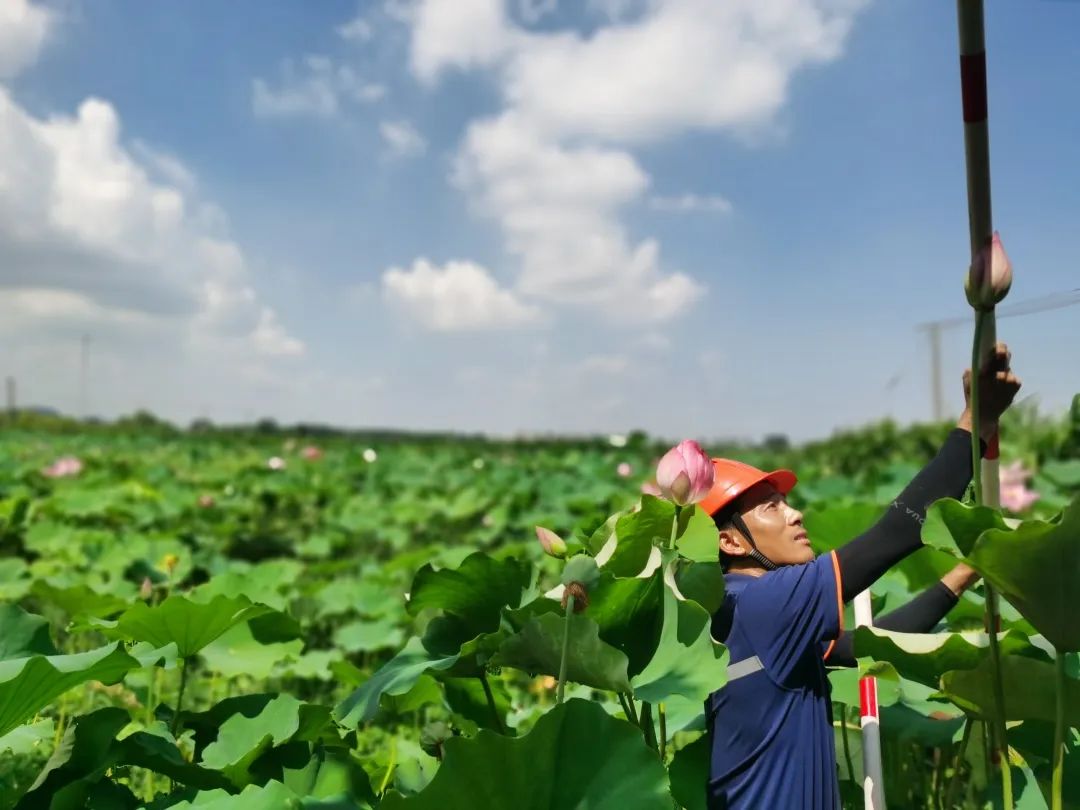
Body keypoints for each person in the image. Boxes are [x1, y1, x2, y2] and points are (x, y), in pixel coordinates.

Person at [702, 342, 1021, 810]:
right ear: (730, 542)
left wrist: (962, 575)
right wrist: (973, 424)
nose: (795, 515)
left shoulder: (737, 611)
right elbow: (901, 529)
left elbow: (878, 641)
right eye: (772, 507)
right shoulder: (767, 603)